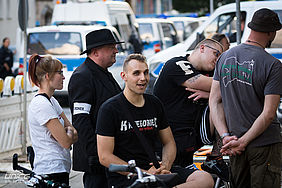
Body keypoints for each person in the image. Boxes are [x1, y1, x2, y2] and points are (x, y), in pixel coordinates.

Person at [96, 54, 214, 188]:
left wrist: (165, 167)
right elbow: (104, 156)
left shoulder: (154, 103)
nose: (143, 78)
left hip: (156, 169)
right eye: (136, 73)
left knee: (205, 179)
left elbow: (169, 142)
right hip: (128, 176)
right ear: (124, 76)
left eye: (146, 73)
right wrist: (145, 174)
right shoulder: (110, 109)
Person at [209, 8, 282, 188]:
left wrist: (226, 136)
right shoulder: (273, 65)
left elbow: (214, 101)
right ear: (271, 32)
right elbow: (268, 114)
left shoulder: (224, 57)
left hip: (233, 144)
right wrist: (243, 141)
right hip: (264, 145)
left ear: (251, 28)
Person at [153, 39, 224, 170]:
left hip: (191, 137)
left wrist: (210, 95)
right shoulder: (177, 64)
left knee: (225, 101)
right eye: (216, 54)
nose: (218, 60)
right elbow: (219, 84)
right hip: (168, 139)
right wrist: (216, 92)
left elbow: (227, 88)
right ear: (202, 48)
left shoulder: (211, 73)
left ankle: (216, 157)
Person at [68, 29, 123, 188]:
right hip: (96, 160)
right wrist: (98, 153)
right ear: (95, 52)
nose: (116, 50)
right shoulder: (83, 76)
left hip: (108, 155)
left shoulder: (102, 72)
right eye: (111, 47)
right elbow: (81, 120)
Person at [28, 54, 78, 186]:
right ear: (47, 76)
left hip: (60, 168)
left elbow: (72, 130)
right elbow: (66, 142)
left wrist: (66, 133)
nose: (63, 76)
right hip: (50, 170)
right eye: (59, 72)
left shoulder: (51, 100)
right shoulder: (41, 104)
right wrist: (67, 134)